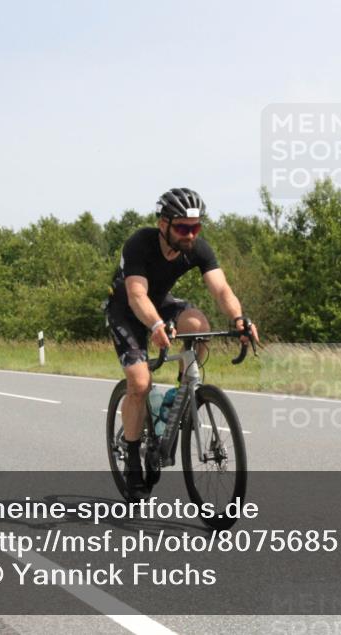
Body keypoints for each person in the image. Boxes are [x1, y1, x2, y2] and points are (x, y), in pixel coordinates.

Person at [105, 188, 259, 500]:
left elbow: (221, 290)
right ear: (163, 224)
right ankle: (134, 460)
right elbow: (136, 296)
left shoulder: (197, 249)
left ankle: (182, 392)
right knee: (139, 382)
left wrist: (240, 319)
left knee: (198, 325)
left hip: (160, 304)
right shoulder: (140, 243)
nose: (190, 235)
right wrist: (156, 325)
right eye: (183, 228)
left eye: (196, 227)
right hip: (126, 311)